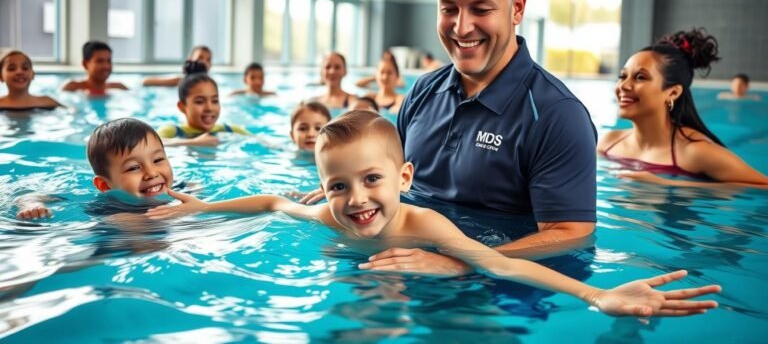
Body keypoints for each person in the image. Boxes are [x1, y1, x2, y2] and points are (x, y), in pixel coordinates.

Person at [147, 111, 720, 318]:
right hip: (361, 269)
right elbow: (273, 202)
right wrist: (202, 210)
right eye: (337, 186)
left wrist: (597, 296)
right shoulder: (328, 218)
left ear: (403, 179)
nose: (356, 200)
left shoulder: (425, 225)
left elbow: (502, 265)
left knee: (390, 308)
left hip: (434, 282)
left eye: (372, 180)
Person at [301, 0, 599, 273]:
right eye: (448, 9)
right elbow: (388, 172)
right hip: (394, 262)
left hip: (492, 289)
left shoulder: (556, 114)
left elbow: (572, 234)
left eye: (481, 9)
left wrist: (461, 263)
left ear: (517, 9)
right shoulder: (423, 91)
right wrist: (347, 188)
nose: (461, 27)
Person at [598, 28, 768, 187]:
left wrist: (668, 184)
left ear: (672, 93)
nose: (624, 86)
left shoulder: (696, 152)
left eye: (640, 77)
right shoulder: (607, 144)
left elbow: (763, 186)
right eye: (622, 76)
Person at [15, 118, 175, 220]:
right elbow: (30, 196)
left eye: (158, 159)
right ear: (104, 185)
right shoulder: (106, 208)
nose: (152, 173)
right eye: (133, 168)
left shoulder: (180, 192)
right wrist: (31, 206)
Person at [157, 72, 248, 146]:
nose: (209, 108)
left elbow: (259, 140)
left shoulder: (228, 130)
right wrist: (194, 142)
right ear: (182, 107)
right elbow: (149, 145)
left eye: (215, 101)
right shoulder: (171, 131)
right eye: (200, 101)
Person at [61, 41, 128, 94]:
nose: (106, 66)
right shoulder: (72, 88)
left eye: (109, 61)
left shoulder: (120, 88)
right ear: (85, 64)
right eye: (99, 61)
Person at [142, 45, 213, 87]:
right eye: (200, 58)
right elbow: (146, 81)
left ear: (211, 65)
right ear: (190, 60)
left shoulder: (212, 84)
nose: (204, 62)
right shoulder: (180, 81)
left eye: (208, 60)